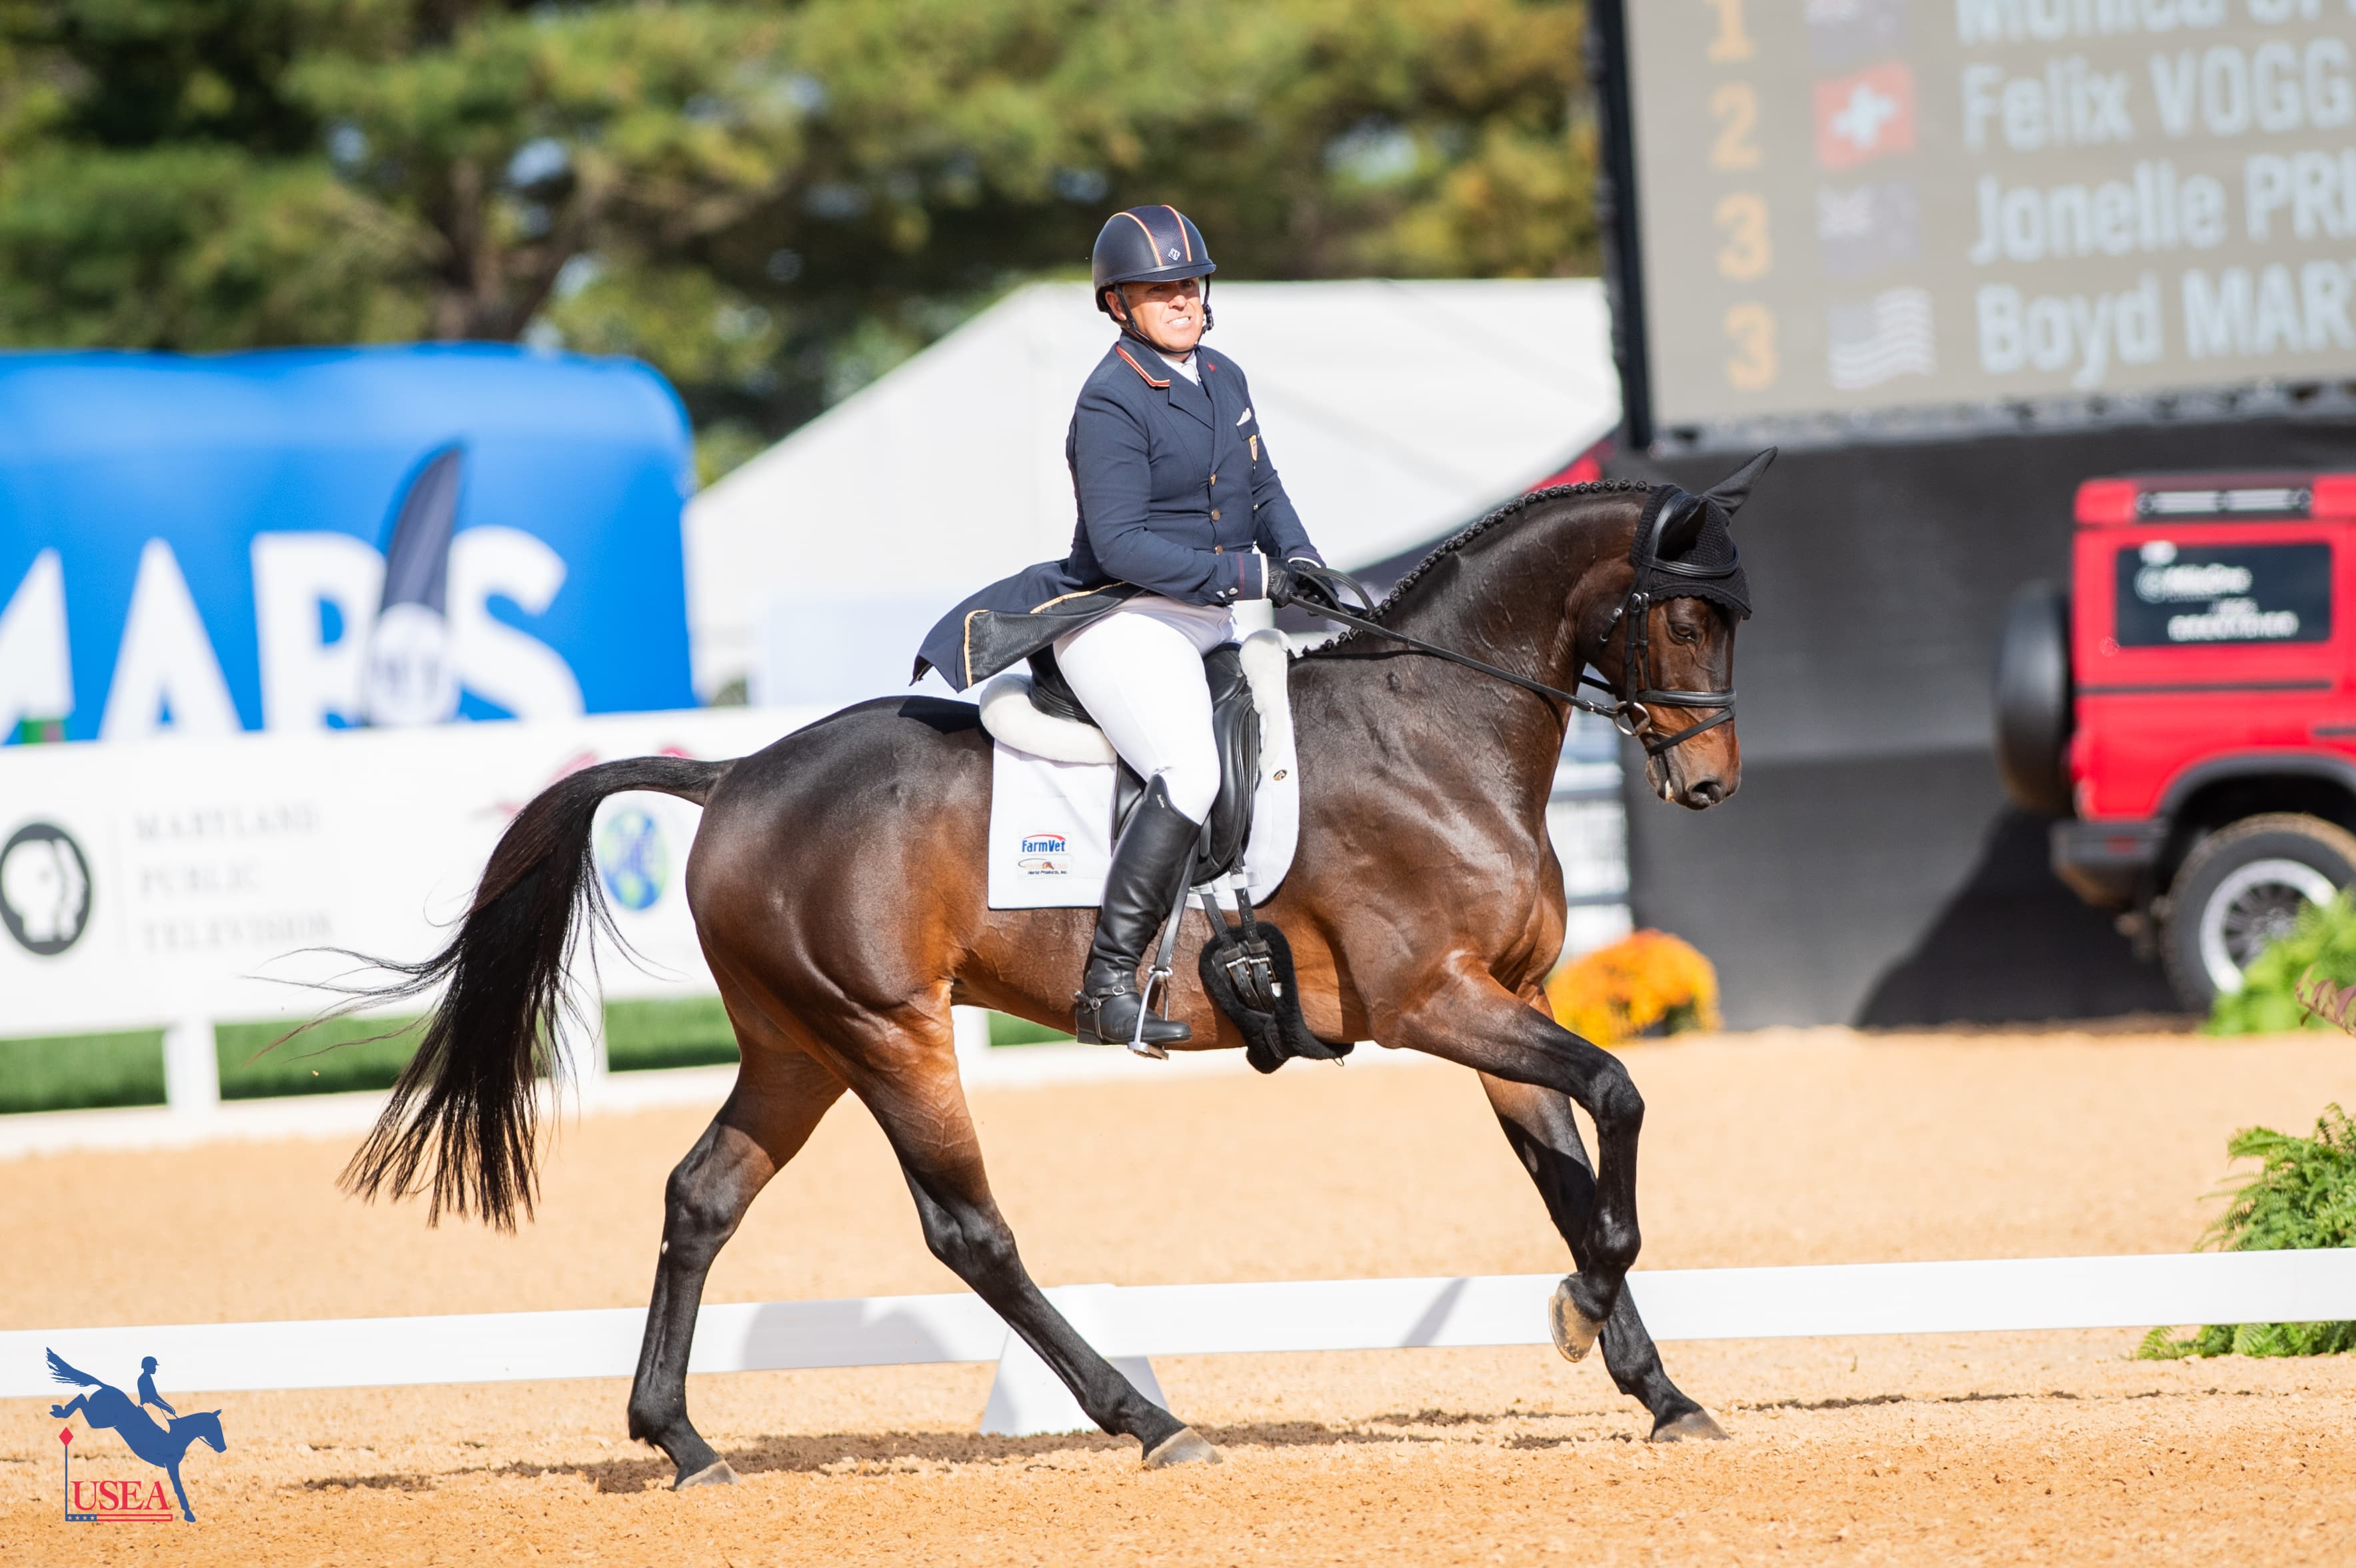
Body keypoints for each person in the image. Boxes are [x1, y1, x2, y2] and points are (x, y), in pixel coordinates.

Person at [915, 205, 1341, 1049]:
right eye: (1159, 289)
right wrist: (1253, 575)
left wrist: (1307, 560)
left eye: (1189, 283)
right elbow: (1123, 545)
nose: (1181, 299)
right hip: (1124, 615)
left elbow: (1264, 491)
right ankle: (1107, 985)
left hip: (1207, 614)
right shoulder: (1110, 400)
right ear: (1119, 305)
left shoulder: (1223, 375)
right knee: (1187, 772)